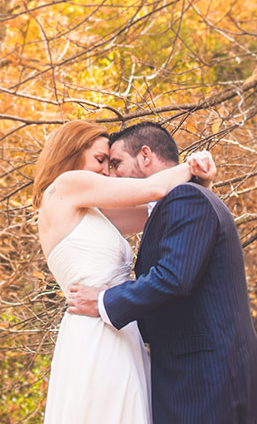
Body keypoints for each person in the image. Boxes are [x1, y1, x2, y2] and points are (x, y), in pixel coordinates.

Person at [66, 122, 257, 424]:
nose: (111, 175)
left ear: (145, 156)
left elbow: (173, 278)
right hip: (194, 373)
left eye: (115, 164)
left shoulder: (186, 198)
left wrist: (104, 301)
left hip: (207, 377)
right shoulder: (179, 202)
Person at [33, 121, 215, 424]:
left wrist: (201, 186)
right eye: (100, 160)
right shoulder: (67, 185)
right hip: (96, 331)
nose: (107, 171)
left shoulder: (89, 212)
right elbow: (153, 188)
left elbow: (156, 209)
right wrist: (194, 164)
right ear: (71, 154)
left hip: (118, 327)